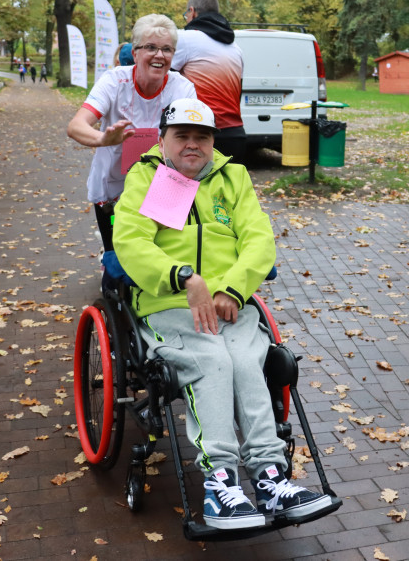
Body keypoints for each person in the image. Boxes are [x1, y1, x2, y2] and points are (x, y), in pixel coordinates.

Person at [114, 98, 331, 530]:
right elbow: (131, 241)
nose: (192, 145)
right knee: (211, 362)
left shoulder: (233, 177)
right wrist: (183, 277)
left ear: (213, 141)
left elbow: (258, 239)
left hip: (230, 303)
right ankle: (219, 484)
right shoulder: (148, 177)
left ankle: (271, 477)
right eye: (182, 136)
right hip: (170, 302)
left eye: (202, 136)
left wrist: (233, 287)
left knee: (248, 362)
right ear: (163, 139)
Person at [66, 14, 196, 254]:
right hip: (113, 192)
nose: (159, 55)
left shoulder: (183, 88)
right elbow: (76, 126)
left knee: (160, 254)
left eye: (167, 49)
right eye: (150, 47)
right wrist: (103, 139)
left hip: (163, 188)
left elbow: (192, 138)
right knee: (117, 254)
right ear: (134, 53)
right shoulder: (114, 82)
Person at [172, 0, 246, 164]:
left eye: (186, 15)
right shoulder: (236, 48)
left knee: (190, 191)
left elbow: (163, 81)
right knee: (228, 192)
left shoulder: (185, 39)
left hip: (200, 134)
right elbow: (238, 93)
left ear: (192, 12)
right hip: (236, 134)